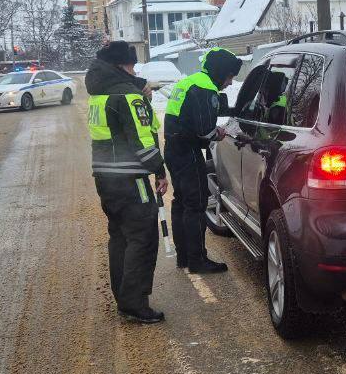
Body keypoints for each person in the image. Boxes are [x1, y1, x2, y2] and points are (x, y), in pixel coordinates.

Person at [86, 41, 169, 324]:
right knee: (143, 238)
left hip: (106, 178)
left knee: (120, 237)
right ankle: (135, 303)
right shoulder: (126, 95)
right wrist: (159, 170)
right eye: (131, 64)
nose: (135, 69)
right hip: (130, 178)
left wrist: (139, 92)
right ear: (120, 65)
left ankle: (124, 298)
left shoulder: (99, 93)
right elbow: (143, 140)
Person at [164, 47, 243, 273]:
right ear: (220, 72)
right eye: (229, 77)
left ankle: (185, 257)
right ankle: (198, 260)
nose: (229, 83)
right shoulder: (206, 88)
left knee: (181, 203)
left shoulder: (189, 82)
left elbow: (190, 116)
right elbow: (203, 130)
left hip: (173, 149)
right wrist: (217, 133)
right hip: (188, 152)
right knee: (196, 205)